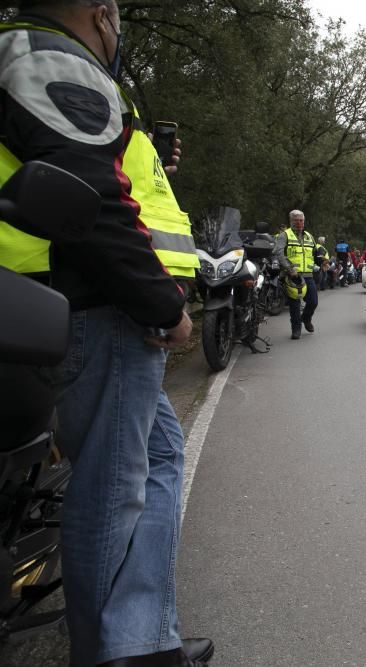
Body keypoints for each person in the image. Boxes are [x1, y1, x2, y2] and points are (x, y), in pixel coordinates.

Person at [0, 2, 213, 665]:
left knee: (160, 454)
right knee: (111, 485)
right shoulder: (54, 59)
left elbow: (99, 177)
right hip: (93, 307)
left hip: (65, 304)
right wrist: (164, 308)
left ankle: (143, 634)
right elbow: (89, 202)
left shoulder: (34, 58)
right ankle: (117, 652)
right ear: (101, 14)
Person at [275, 209, 319, 339]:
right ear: (291, 221)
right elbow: (279, 253)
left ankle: (306, 319)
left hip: (308, 274)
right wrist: (289, 269)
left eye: (301, 220)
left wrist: (322, 262)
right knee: (294, 305)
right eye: (296, 220)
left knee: (313, 301)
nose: (299, 223)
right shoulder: (285, 235)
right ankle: (296, 329)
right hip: (292, 275)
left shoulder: (309, 236)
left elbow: (315, 253)